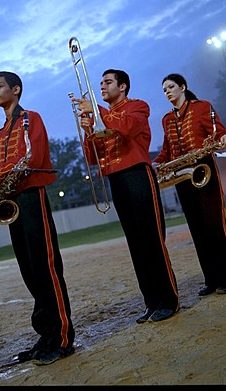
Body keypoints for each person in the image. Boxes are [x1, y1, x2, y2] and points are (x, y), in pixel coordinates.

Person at [0, 71, 75, 366]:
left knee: (46, 266)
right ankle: (45, 336)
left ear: (15, 90)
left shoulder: (31, 118)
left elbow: (32, 156)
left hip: (32, 198)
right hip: (12, 201)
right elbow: (1, 168)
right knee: (29, 270)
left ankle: (62, 338)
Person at [72, 69, 179, 324]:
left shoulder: (138, 106)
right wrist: (88, 132)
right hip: (115, 179)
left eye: (108, 82)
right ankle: (152, 302)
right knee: (136, 244)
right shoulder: (103, 118)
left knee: (151, 239)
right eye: (101, 83)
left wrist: (98, 112)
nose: (102, 86)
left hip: (137, 174)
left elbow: (128, 128)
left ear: (123, 87)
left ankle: (169, 300)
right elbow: (93, 158)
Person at [154, 73, 226, 296]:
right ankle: (211, 279)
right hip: (182, 176)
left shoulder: (202, 107)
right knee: (197, 229)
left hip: (204, 169)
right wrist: (155, 163)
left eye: (171, 87)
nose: (168, 92)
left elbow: (220, 131)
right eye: (164, 90)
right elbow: (166, 150)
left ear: (183, 87)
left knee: (214, 225)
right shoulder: (166, 119)